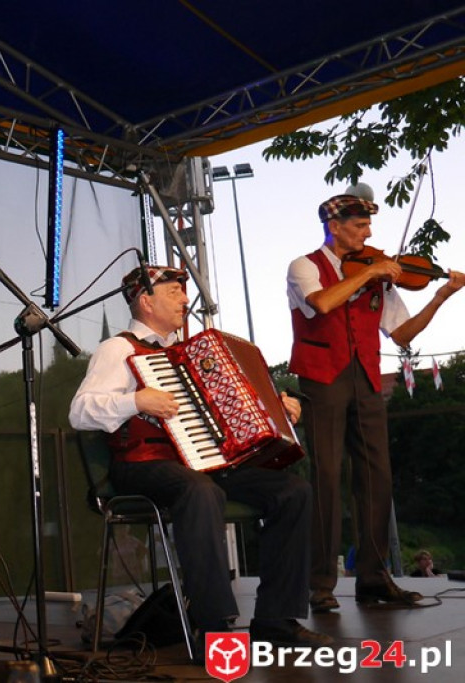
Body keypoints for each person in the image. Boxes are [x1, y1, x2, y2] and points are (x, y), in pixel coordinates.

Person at [69, 265, 332, 654]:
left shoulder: (196, 352)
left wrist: (277, 407)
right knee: (200, 491)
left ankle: (276, 619)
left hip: (205, 463)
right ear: (146, 301)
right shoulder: (119, 349)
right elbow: (80, 411)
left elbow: (233, 409)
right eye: (174, 292)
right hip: (141, 464)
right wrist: (136, 400)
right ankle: (214, 627)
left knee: (292, 491)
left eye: (183, 291)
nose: (184, 299)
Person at [287, 192, 464, 613]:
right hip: (322, 376)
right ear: (334, 227)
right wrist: (370, 273)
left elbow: (402, 334)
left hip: (365, 375)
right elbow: (322, 303)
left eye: (368, 225)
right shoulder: (304, 266)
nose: (368, 233)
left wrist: (440, 296)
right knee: (327, 476)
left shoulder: (376, 272)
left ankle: (373, 577)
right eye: (360, 226)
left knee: (376, 475)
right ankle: (320, 584)